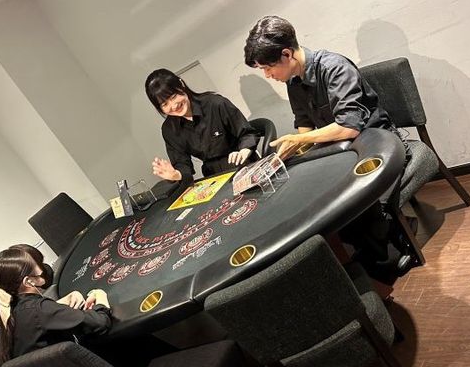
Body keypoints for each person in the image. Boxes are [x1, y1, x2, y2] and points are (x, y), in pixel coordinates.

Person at [244, 16, 411, 277]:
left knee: (352, 204)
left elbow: (349, 127)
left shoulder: (334, 67)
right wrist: (292, 149)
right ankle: (359, 258)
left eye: (268, 67)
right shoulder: (293, 81)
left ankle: (387, 257)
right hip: (341, 151)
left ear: (286, 54)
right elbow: (305, 125)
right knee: (310, 196)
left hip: (379, 146)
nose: (268, 75)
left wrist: (298, 140)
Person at [0, 244, 112, 366]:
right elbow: (101, 323)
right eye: (40, 267)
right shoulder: (41, 310)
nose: (44, 269)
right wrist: (100, 295)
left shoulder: (13, 306)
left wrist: (61, 302)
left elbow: (36, 319)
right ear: (28, 281)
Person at [145, 68, 260, 184]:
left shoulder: (215, 103)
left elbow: (247, 133)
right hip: (213, 177)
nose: (173, 106)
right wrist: (176, 175)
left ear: (181, 84)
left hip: (242, 165)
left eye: (173, 96)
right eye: (165, 104)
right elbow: (182, 163)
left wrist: (244, 150)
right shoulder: (169, 129)